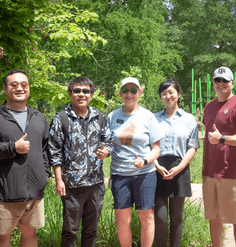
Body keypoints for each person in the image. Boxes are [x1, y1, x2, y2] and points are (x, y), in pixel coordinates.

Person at [48, 76, 113, 247]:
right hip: (71, 186)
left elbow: (110, 142)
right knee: (70, 231)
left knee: (91, 230)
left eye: (85, 91)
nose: (81, 94)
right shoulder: (61, 118)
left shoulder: (99, 117)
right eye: (77, 91)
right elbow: (54, 151)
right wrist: (59, 180)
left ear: (91, 95)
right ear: (70, 94)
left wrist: (105, 152)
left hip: (96, 184)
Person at [107, 77, 164, 247]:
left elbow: (156, 149)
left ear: (140, 92)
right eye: (125, 90)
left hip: (144, 174)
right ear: (120, 93)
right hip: (119, 174)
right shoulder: (112, 116)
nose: (129, 94)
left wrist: (145, 161)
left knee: (146, 216)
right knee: (122, 219)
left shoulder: (148, 117)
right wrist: (104, 152)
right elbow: (108, 145)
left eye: (133, 90)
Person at [0, 70, 51, 247]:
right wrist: (12, 148)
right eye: (14, 85)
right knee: (3, 237)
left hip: (34, 193)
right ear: (5, 89)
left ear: (28, 89)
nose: (19, 88)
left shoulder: (38, 117)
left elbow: (46, 149)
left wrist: (45, 173)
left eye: (24, 84)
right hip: (5, 193)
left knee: (30, 233)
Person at [154, 79, 199, 247]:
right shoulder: (154, 119)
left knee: (177, 216)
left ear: (178, 94)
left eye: (171, 92)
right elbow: (148, 146)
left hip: (180, 168)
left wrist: (179, 167)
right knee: (160, 217)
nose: (168, 96)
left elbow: (193, 146)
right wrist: (156, 166)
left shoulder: (189, 119)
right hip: (158, 168)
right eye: (164, 93)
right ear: (160, 97)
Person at [202, 66, 236, 247]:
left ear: (232, 83)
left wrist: (222, 138)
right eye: (217, 80)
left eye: (225, 80)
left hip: (231, 172)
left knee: (235, 218)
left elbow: (218, 138)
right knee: (213, 217)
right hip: (210, 170)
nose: (221, 84)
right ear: (213, 84)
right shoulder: (209, 107)